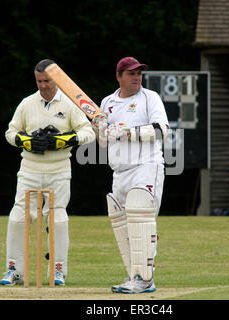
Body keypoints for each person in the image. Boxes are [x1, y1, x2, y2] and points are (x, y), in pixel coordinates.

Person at [0, 59, 95, 286]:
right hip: (30, 169)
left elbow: (88, 131)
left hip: (59, 169)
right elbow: (10, 132)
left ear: (57, 79)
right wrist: (26, 141)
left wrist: (65, 140)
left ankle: (58, 270)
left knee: (57, 219)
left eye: (47, 81)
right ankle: (14, 270)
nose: (43, 85)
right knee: (18, 217)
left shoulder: (70, 103)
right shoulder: (27, 103)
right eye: (39, 81)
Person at [91, 57, 169, 294]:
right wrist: (99, 128)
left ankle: (145, 279)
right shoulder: (107, 102)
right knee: (124, 227)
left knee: (142, 223)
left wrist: (127, 132)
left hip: (147, 165)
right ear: (119, 76)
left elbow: (161, 129)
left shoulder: (150, 98)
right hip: (120, 171)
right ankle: (135, 275)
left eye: (139, 73)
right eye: (131, 74)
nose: (137, 78)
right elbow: (104, 142)